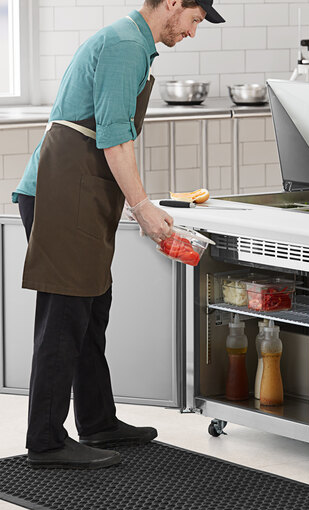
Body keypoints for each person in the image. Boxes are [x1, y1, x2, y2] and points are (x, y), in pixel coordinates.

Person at [12, 0, 225, 470]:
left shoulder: (133, 44)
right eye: (194, 20)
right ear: (173, 3)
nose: (192, 32)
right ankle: (45, 441)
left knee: (91, 308)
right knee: (65, 315)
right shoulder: (127, 45)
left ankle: (98, 420)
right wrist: (143, 206)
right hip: (64, 191)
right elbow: (114, 134)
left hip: (79, 189)